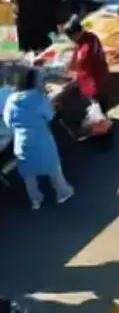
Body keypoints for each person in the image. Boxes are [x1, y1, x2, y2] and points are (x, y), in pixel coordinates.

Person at [3, 68, 73, 209]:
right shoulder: (39, 98)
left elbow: (7, 121)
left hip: (21, 142)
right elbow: (50, 116)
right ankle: (63, 192)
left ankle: (36, 200)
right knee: (53, 168)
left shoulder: (11, 100)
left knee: (29, 175)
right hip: (41, 138)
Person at [64, 17, 112, 142]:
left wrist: (71, 73)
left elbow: (79, 66)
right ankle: (104, 130)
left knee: (98, 115)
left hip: (94, 85)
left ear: (75, 34)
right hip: (101, 80)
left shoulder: (85, 49)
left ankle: (103, 139)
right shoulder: (91, 38)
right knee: (101, 110)